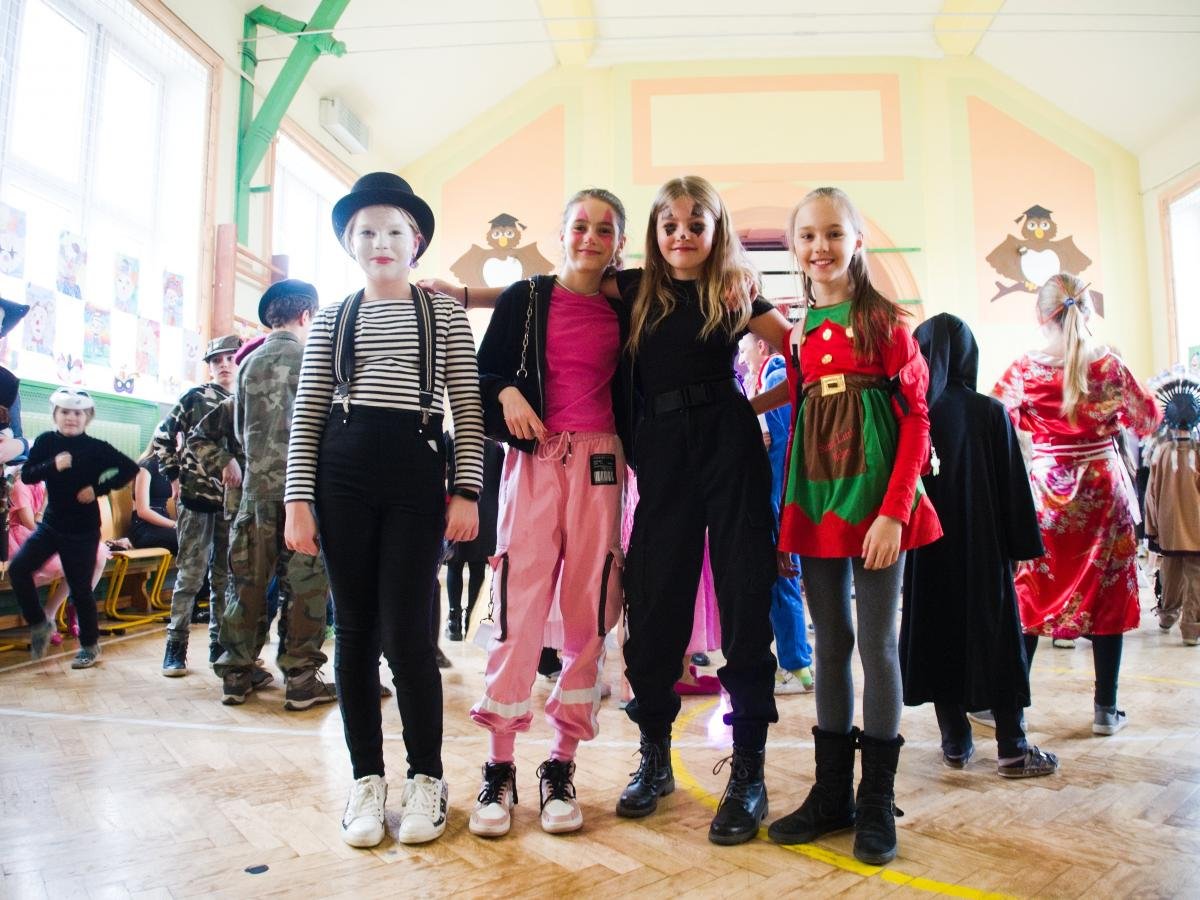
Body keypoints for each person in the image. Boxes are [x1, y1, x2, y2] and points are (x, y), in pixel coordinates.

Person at [283, 172, 483, 848]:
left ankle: (427, 776)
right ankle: (366, 779)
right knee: (355, 632)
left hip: (415, 469)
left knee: (408, 634)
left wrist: (467, 490)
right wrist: (298, 500)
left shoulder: (443, 315)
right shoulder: (334, 317)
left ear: (415, 240)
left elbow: (468, 408)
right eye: (365, 232)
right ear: (350, 243)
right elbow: (308, 413)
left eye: (394, 230)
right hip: (342, 471)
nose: (380, 242)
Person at [762, 187, 941, 866]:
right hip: (817, 495)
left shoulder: (887, 324)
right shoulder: (799, 330)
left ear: (857, 241)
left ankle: (876, 800)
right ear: (794, 245)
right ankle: (832, 793)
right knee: (830, 641)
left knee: (876, 643)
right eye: (808, 235)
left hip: (875, 502)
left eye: (834, 233)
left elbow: (918, 417)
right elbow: (803, 403)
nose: (820, 247)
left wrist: (895, 511)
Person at [615, 175, 791, 846]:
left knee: (747, 598)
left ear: (717, 231)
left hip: (728, 444)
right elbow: (556, 291)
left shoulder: (735, 291)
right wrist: (464, 297)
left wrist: (753, 408)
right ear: (655, 234)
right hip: (662, 452)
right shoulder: (633, 290)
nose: (683, 234)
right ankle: (654, 755)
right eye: (670, 225)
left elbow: (801, 355)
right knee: (654, 598)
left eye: (696, 223)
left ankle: (749, 771)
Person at [455, 187, 632, 838]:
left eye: (605, 229)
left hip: (602, 464)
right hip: (533, 463)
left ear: (620, 243)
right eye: (580, 226)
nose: (591, 238)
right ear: (561, 233)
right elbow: (483, 373)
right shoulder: (525, 298)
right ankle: (499, 766)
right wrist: (506, 392)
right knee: (517, 605)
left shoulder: (629, 308)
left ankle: (560, 765)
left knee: (591, 607)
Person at [992, 273, 1160, 735]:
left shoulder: (1025, 368)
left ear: (1039, 315)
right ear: (1088, 312)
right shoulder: (1111, 366)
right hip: (1104, 488)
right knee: (1109, 594)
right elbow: (1147, 418)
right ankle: (1106, 709)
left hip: (1048, 491)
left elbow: (994, 415)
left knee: (1031, 592)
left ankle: (1009, 706)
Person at [903, 314, 1058, 778]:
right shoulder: (989, 411)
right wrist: (1018, 548)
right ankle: (1012, 747)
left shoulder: (911, 414)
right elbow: (1012, 485)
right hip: (983, 550)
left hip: (926, 550)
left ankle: (955, 742)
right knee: (996, 638)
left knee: (938, 634)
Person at [192, 280, 333, 710]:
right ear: (307, 316)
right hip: (303, 498)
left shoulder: (247, 366)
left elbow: (217, 433)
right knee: (305, 589)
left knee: (246, 587)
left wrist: (228, 463)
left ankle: (237, 674)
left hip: (253, 496)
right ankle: (301, 678)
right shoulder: (315, 360)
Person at [8, 388, 138, 667]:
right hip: (51, 525)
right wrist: (53, 465)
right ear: (55, 414)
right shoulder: (45, 441)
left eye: (78, 413)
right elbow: (28, 475)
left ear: (87, 417)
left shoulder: (96, 447)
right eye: (65, 412)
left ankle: (89, 646)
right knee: (18, 569)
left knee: (80, 589)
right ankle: (40, 623)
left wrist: (98, 489)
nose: (71, 417)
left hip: (83, 530)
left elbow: (130, 468)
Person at [155, 333, 241, 676]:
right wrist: (173, 476)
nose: (224, 364)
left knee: (224, 578)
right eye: (217, 360)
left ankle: (218, 645)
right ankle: (175, 645)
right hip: (195, 500)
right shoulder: (195, 397)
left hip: (232, 503)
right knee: (190, 575)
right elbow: (163, 436)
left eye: (230, 358)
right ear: (209, 367)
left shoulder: (246, 397)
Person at [738, 331, 814, 694]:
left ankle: (797, 667)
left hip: (777, 498)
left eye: (745, 350)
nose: (742, 358)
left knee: (783, 582)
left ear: (762, 346)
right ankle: (794, 663)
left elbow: (782, 447)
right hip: (773, 497)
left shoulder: (776, 378)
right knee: (780, 583)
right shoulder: (768, 378)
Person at [1145, 370, 1200, 645]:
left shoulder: (1161, 452)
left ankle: (1167, 616)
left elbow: (1151, 494)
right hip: (1196, 525)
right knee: (1196, 578)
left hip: (1168, 526)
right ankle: (1191, 628)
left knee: (1171, 572)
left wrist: (1152, 527)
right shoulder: (1197, 451)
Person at [443, 435, 503, 642]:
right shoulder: (497, 445)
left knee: (455, 564)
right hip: (486, 515)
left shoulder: (454, 438)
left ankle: (454, 622)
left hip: (459, 509)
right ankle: (471, 618)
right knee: (477, 567)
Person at [128, 439, 177, 554]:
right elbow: (143, 511)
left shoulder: (171, 468)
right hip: (144, 527)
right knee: (187, 539)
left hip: (163, 521)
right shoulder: (147, 465)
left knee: (198, 538)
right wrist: (175, 525)